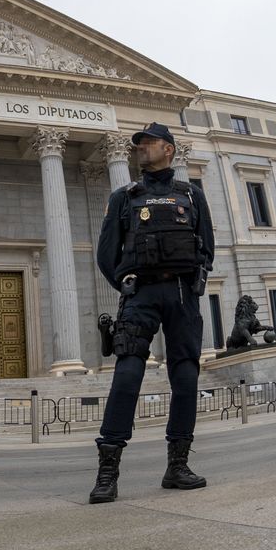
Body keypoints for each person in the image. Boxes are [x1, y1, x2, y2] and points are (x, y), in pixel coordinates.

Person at [89, 123, 214, 503]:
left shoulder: (192, 194)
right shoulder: (124, 196)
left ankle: (177, 465)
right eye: (139, 144)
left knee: (186, 376)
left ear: (169, 149)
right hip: (140, 294)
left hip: (181, 293)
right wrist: (125, 284)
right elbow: (106, 253)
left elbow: (206, 245)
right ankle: (108, 472)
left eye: (148, 143)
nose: (141, 148)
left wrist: (195, 283)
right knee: (126, 374)